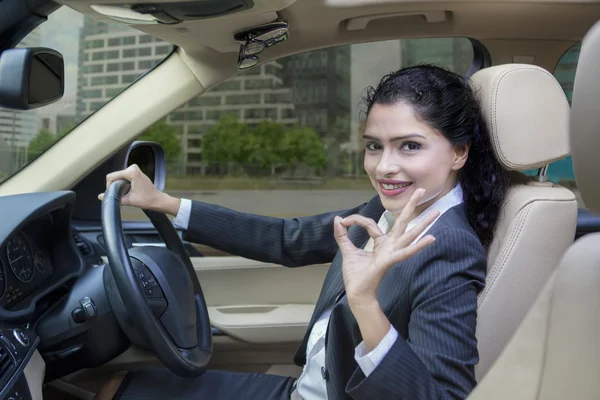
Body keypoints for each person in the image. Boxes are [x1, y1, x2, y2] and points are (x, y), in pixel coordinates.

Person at [96, 65, 509, 400]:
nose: (383, 167)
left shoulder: (449, 245)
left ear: (459, 151)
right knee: (119, 386)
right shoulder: (388, 208)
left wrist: (365, 303)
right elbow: (285, 239)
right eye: (373, 146)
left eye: (409, 146)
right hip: (305, 388)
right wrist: (166, 204)